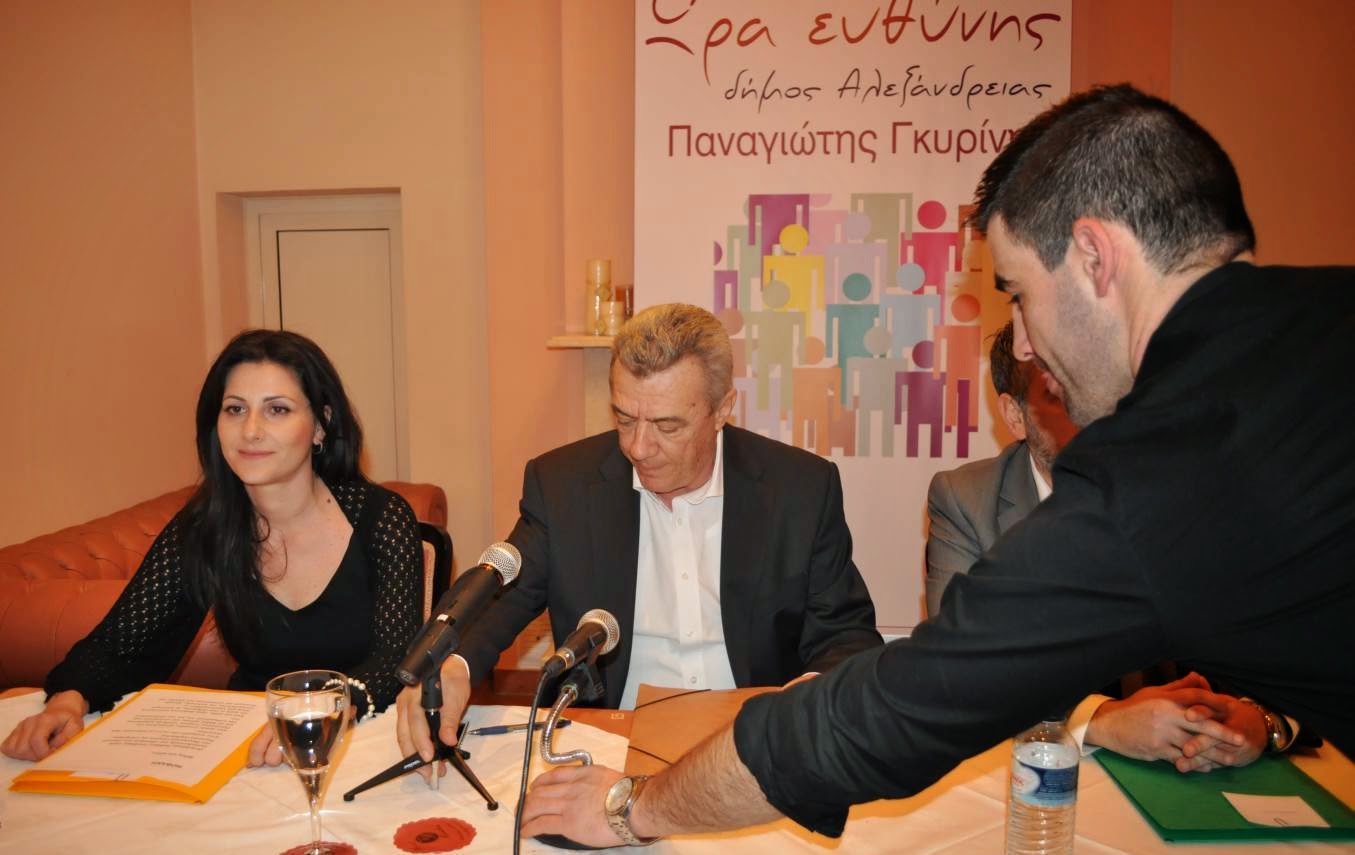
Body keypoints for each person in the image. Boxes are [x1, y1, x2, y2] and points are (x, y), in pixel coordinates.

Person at [516, 84, 1355, 846]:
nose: (1021, 345)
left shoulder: (1152, 471)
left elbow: (895, 711)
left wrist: (630, 809)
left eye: (1016, 292)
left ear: (1095, 257)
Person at [396, 303, 881, 771]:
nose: (638, 447)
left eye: (667, 426)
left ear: (722, 410)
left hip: (754, 744)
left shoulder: (798, 488)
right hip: (609, 744)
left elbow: (844, 633)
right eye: (624, 419)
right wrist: (453, 665)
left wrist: (804, 702)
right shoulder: (563, 485)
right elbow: (502, 596)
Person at [1, 329, 424, 767]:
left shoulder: (382, 518)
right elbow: (120, 642)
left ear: (320, 425)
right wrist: (68, 701)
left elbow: (397, 658)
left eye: (277, 409)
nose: (251, 430)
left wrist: (325, 709)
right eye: (235, 409)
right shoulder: (205, 528)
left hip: (361, 742)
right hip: (251, 751)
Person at [928, 322, 1281, 770]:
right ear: (1014, 415)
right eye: (1059, 394)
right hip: (1037, 766)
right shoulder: (966, 500)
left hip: (1195, 764)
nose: (1093, 413)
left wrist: (1261, 720)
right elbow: (961, 671)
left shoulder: (1194, 487)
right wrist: (1099, 719)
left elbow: (1290, 645)